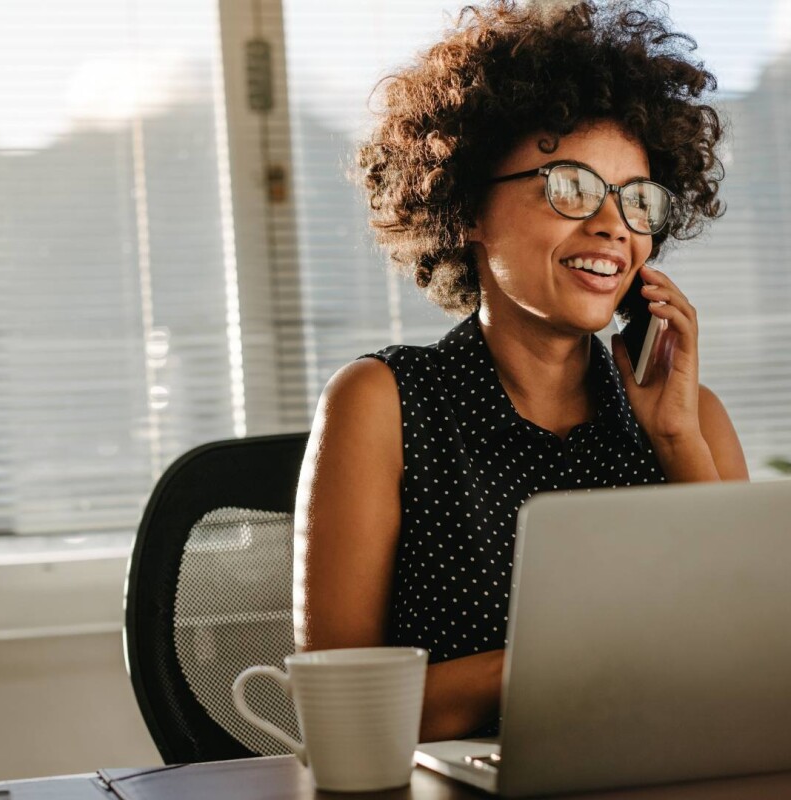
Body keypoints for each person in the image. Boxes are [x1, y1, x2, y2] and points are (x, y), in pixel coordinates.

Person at [293, 0, 749, 743]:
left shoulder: (692, 419)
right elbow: (342, 713)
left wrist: (677, 442)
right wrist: (579, 659)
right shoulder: (383, 404)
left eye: (637, 200)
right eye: (568, 186)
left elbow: (749, 672)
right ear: (468, 206)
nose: (611, 225)